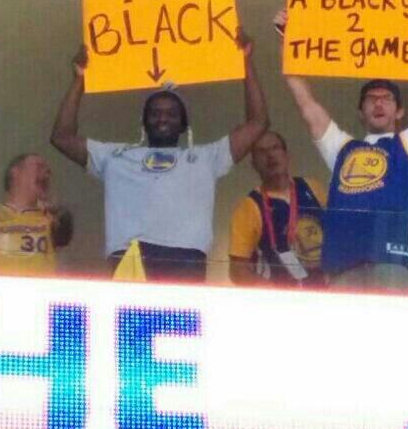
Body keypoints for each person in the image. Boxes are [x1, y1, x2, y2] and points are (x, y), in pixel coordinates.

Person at [50, 29, 268, 282]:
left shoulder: (207, 157)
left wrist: (246, 61)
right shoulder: (116, 156)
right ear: (144, 123)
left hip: (187, 259)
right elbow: (62, 137)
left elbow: (258, 123)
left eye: (171, 113)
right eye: (155, 113)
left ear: (183, 125)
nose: (163, 118)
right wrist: (79, 79)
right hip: (130, 257)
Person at [276, 7, 408, 291]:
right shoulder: (341, 148)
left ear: (399, 110)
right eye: (371, 99)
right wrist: (288, 42)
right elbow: (307, 105)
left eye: (387, 98)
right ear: (361, 111)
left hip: (392, 262)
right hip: (341, 266)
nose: (378, 103)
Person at [229, 130, 326, 287]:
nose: (270, 155)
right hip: (279, 295)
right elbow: (237, 270)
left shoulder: (313, 187)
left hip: (323, 291)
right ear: (253, 164)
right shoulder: (249, 206)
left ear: (287, 155)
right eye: (262, 151)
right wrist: (267, 290)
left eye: (275, 148)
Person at [0, 153, 73, 276]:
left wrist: (57, 210)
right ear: (15, 172)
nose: (47, 173)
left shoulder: (52, 219)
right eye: (39, 166)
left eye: (48, 171)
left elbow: (64, 234)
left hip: (37, 287)